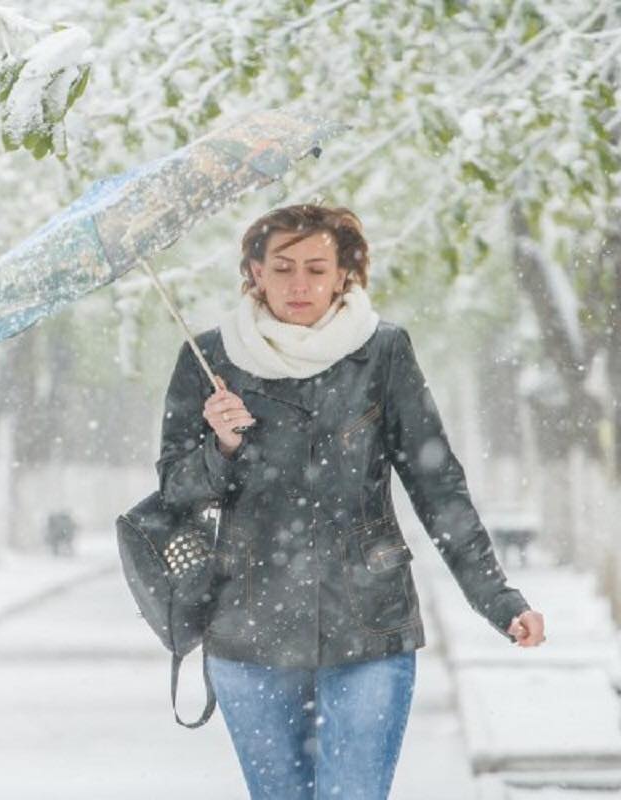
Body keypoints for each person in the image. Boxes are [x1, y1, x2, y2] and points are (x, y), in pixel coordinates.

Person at [155, 204, 546, 799]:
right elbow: (174, 493)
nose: (299, 284)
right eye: (282, 267)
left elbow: (437, 486)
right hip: (249, 623)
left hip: (370, 623)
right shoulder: (210, 361)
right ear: (254, 272)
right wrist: (224, 446)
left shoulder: (381, 352)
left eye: (317, 267)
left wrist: (497, 598)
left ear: (344, 274)